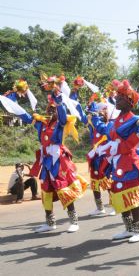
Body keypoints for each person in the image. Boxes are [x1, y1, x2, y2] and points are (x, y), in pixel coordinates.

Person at [90, 80, 139, 243]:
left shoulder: (135, 119)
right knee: (119, 193)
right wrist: (94, 116)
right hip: (117, 163)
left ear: (129, 102)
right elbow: (104, 130)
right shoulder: (114, 121)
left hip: (130, 162)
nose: (116, 101)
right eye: (117, 98)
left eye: (120, 99)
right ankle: (128, 229)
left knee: (132, 194)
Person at [17, 91, 87, 233]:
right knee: (46, 190)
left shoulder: (60, 123)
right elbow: (26, 117)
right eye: (49, 108)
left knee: (63, 189)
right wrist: (13, 105)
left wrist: (59, 103)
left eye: (53, 108)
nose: (50, 110)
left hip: (59, 161)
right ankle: (50, 223)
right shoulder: (41, 125)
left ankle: (74, 221)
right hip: (46, 161)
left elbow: (62, 116)